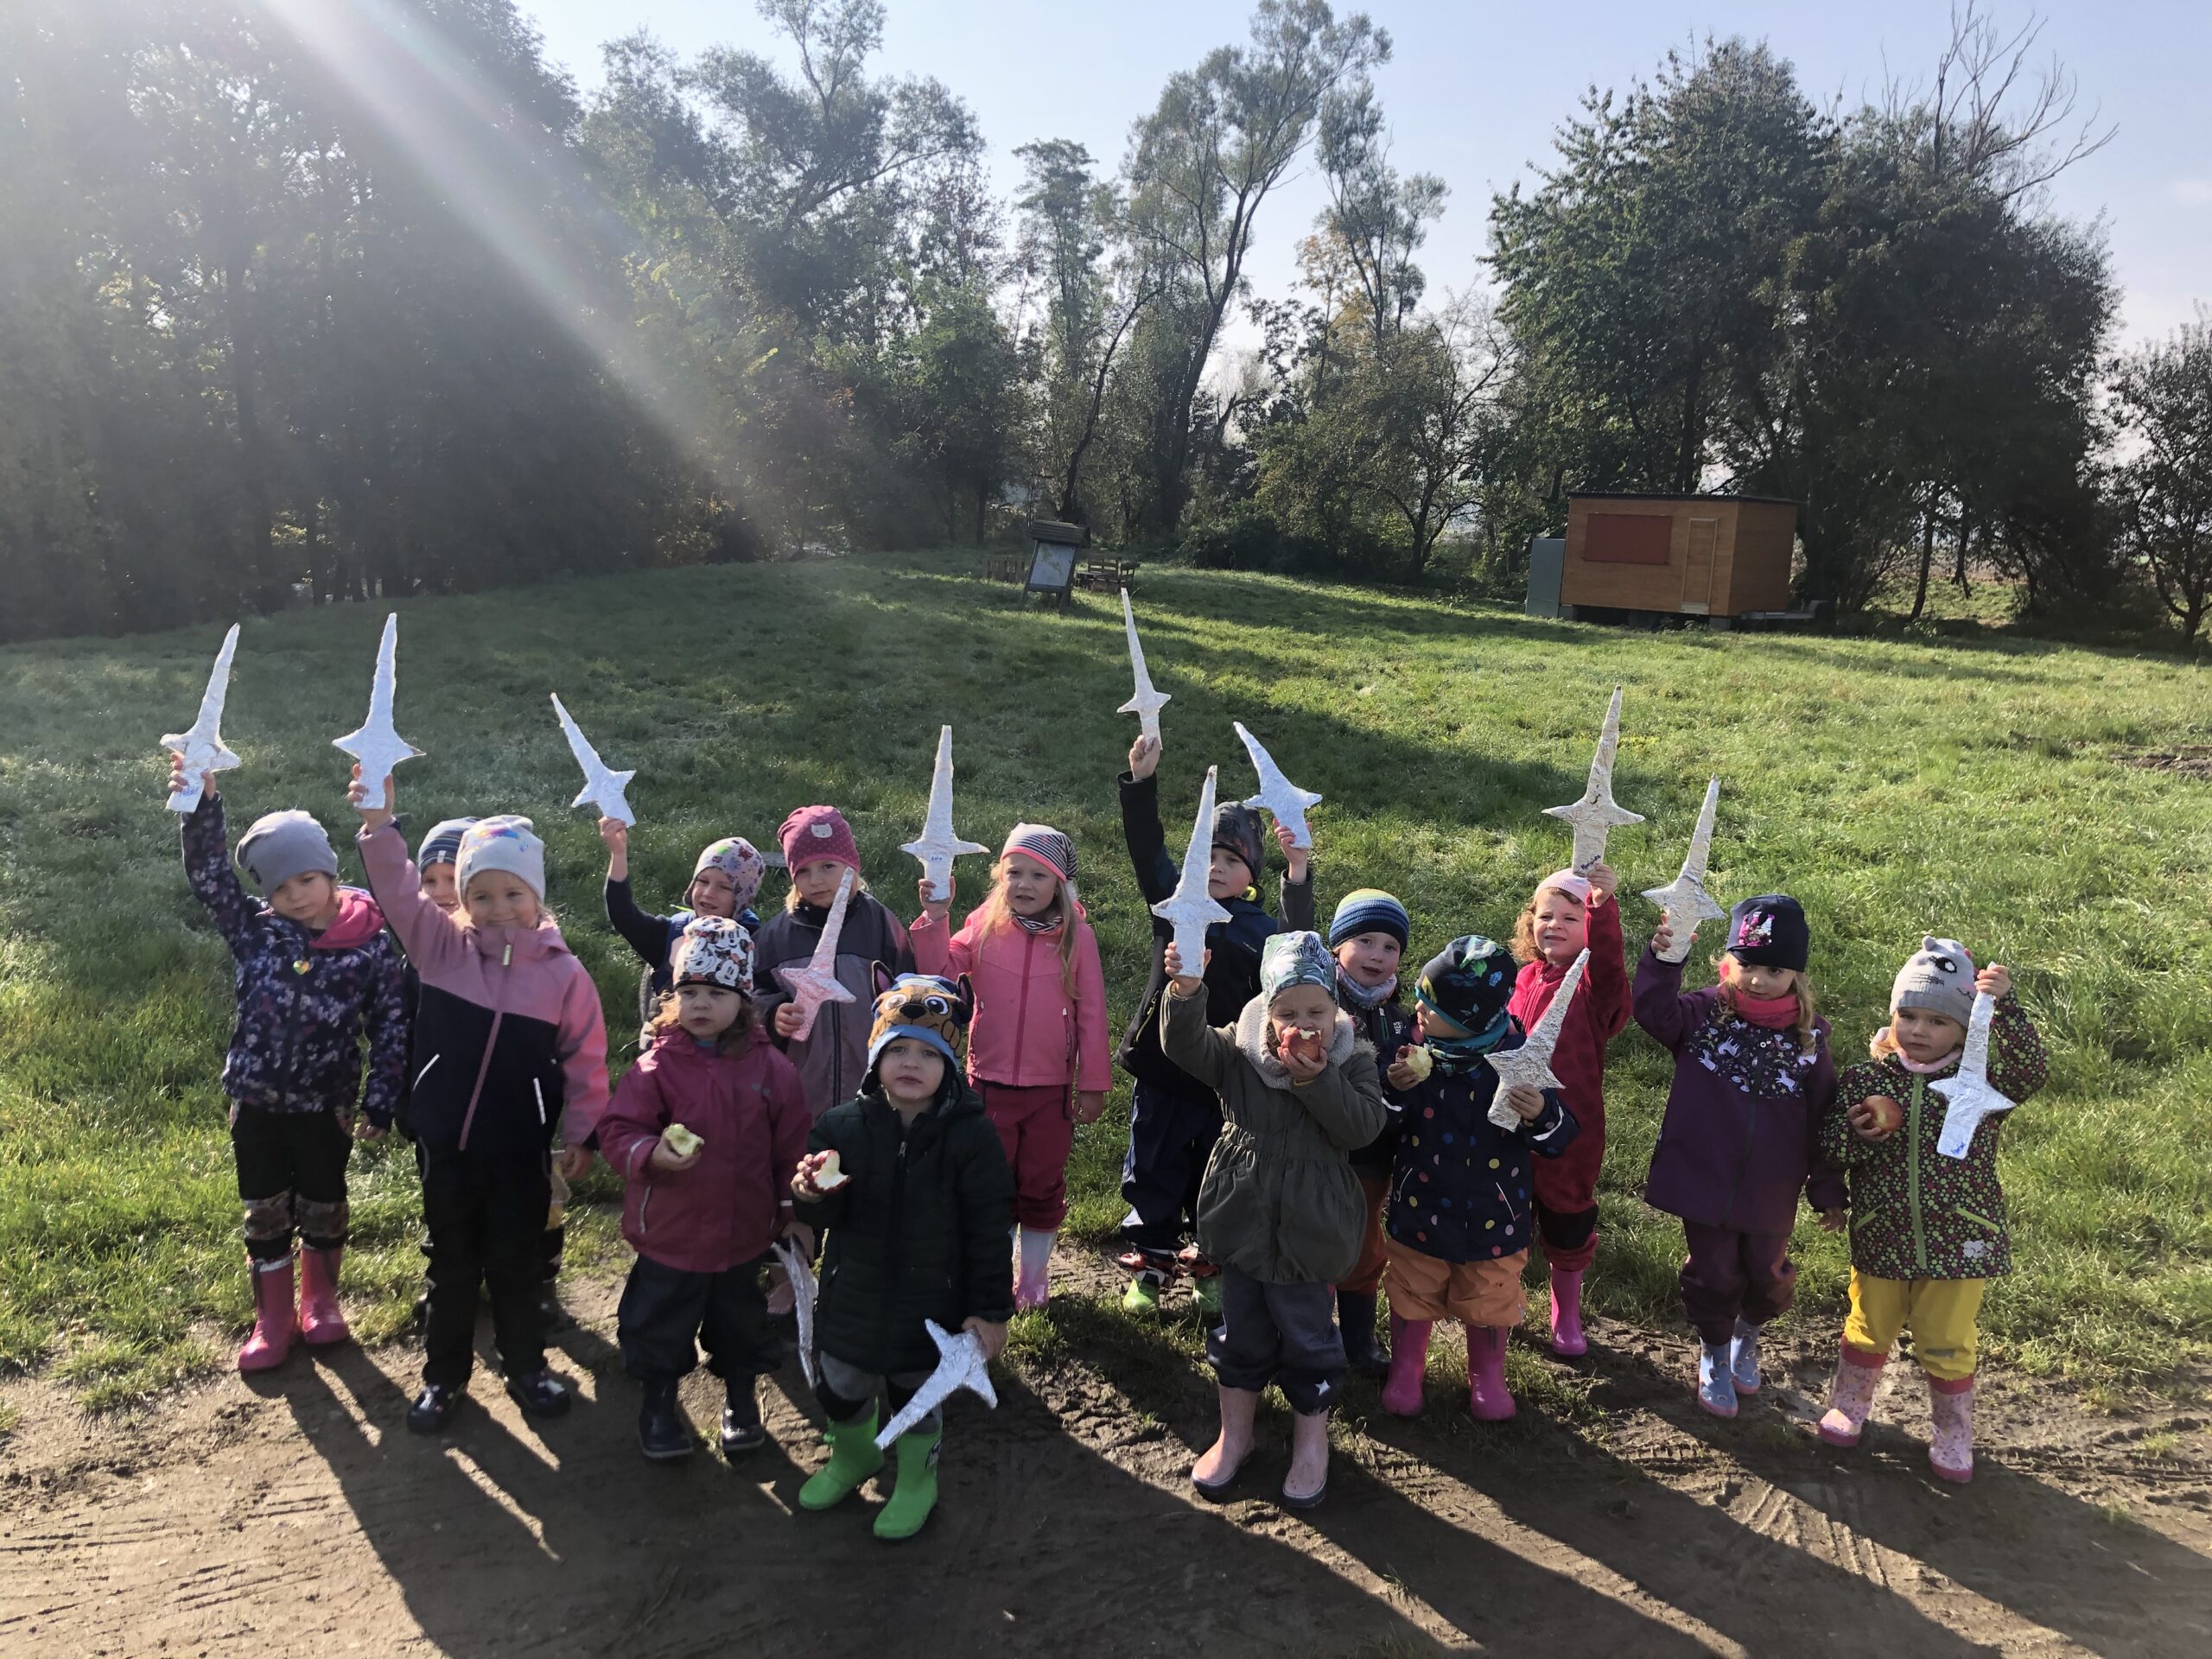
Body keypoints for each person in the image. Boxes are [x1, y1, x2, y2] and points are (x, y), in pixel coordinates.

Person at [352, 773, 607, 1433]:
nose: (496, 908)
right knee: (452, 1264)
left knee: (516, 1263)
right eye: (481, 894)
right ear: (462, 899)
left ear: (536, 896)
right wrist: (381, 827)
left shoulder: (563, 974)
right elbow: (401, 894)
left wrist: (579, 1132)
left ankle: (526, 1368)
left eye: (511, 893)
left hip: (522, 1148)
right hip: (447, 1144)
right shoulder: (440, 949)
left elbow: (585, 1059)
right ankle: (444, 1378)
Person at [171, 755, 405, 1372]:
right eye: (279, 888)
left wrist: (381, 1098)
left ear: (329, 872)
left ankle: (320, 1303)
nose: (295, 896)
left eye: (306, 880)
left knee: (324, 1200)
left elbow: (389, 1026)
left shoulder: (370, 945)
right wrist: (201, 804)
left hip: (324, 1104)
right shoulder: (256, 931)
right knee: (265, 1208)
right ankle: (272, 1318)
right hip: (256, 1102)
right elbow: (209, 876)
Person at [1162, 931, 1384, 1510]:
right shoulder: (1240, 1053)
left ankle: (1312, 1442)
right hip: (1242, 1216)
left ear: (1336, 1009)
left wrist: (1316, 1081)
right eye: (1287, 1011)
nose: (1302, 1023)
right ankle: (1235, 1434)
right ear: (1267, 1009)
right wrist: (1186, 991)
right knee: (1240, 1332)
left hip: (1313, 1228)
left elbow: (1361, 1129)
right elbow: (1186, 1049)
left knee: (1309, 1335)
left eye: (1316, 1010)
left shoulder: (1353, 1059)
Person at [791, 973, 1014, 1541]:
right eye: (897, 1050)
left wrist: (990, 1310)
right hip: (852, 1295)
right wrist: (811, 1195)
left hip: (932, 1304)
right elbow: (823, 1216)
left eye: (927, 1052)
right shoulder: (839, 1126)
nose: (910, 1063)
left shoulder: (971, 1138)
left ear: (951, 1066)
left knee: (917, 1398)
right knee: (840, 1388)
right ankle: (854, 1457)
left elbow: (990, 1229)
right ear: (875, 1058)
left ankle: (917, 1480)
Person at [1815, 938, 2047, 1482]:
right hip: (1883, 1233)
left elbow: (2031, 1071)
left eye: (1938, 1020)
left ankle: (1953, 1432)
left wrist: (2004, 1007)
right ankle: (1849, 1407)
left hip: (1963, 1239)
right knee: (1868, 1327)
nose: (1919, 1030)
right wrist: (1857, 1135)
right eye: (1908, 1014)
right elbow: (1830, 1145)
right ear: (1891, 1016)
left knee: (1946, 1341)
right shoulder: (1868, 1079)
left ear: (1966, 1030)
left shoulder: (1985, 1082)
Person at [597, 918, 810, 1463]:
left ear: (743, 1000)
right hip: (670, 1234)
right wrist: (651, 1155)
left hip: (743, 1234)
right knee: (658, 1327)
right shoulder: (656, 1067)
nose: (700, 1004)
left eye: (716, 993)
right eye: (688, 992)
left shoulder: (772, 1070)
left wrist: (792, 1211)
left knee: (741, 1327)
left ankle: (741, 1396)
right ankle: (659, 1400)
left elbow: (791, 1148)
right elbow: (619, 1131)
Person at [1116, 734, 1313, 1316]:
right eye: (1208, 858)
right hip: (1159, 1066)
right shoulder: (1172, 903)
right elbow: (1147, 849)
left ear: (1249, 874)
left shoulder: (1257, 929)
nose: (1217, 869)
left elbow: (1296, 946)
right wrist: (1141, 782)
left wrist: (1298, 867)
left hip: (1223, 1075)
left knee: (1213, 1174)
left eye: (1231, 862)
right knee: (1151, 1166)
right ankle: (1149, 1267)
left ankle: (1207, 1264)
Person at [1636, 895, 1845, 1418]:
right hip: (1703, 1177)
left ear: (1795, 974)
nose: (1757, 980)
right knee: (1714, 1273)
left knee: (1767, 1275)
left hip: (1771, 1188)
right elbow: (1653, 1011)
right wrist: (1665, 960)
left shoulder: (1810, 1039)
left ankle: (1747, 1333)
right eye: (1747, 965)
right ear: (1728, 962)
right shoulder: (1705, 1013)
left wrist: (1826, 1192)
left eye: (1774, 969)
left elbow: (1825, 1118)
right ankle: (1714, 1348)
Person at [912, 824, 1110, 1311]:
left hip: (1051, 1089)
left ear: (1059, 884)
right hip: (988, 1081)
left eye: (1037, 875)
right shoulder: (984, 924)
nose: (1023, 884)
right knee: (990, 1182)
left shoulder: (1077, 937)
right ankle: (991, 1275)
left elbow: (1092, 1012)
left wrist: (1093, 1083)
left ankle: (1035, 1279)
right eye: (1013, 872)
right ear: (999, 875)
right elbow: (940, 975)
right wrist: (936, 916)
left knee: (1042, 1180)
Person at [1379, 936, 1577, 1421]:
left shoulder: (1518, 1061)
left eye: (1432, 1006)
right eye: (1420, 1000)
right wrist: (1393, 1089)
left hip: (1494, 1213)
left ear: (1469, 1019)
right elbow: (1383, 1128)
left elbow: (1559, 1140)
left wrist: (1540, 1114)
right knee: (1411, 1287)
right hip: (1419, 1203)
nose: (1419, 1013)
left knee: (1490, 1297)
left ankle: (1487, 1378)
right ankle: (1406, 1370)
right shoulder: (1410, 1050)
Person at [1505, 866, 1630, 1356]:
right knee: (1509, 1211)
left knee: (1566, 1215)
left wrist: (1601, 907)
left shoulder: (1593, 988)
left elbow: (1610, 967)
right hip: (1512, 1119)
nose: (1554, 924)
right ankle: (1506, 1294)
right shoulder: (1523, 976)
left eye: (1570, 917)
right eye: (1545, 914)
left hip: (1572, 1128)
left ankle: (1567, 1311)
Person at [751, 804, 914, 1118]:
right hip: (801, 1090)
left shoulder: (881, 924)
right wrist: (772, 1014)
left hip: (872, 1084)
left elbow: (907, 984)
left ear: (851, 867)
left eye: (828, 866)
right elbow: (750, 997)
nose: (816, 880)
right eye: (803, 871)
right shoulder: (774, 937)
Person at [1325, 889, 1420, 1376]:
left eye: (1390, 946)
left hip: (1373, 1157)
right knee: (1316, 1242)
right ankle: (1313, 1334)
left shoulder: (1404, 1021)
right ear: (1337, 945)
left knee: (1364, 1247)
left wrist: (1404, 1082)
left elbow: (1406, 1100)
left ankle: (1358, 1340)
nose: (1378, 955)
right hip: (1320, 1153)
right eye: (1365, 941)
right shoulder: (1318, 1003)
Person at [599, 817, 769, 996]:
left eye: (724, 887)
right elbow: (623, 915)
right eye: (703, 881)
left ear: (742, 899)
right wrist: (618, 854)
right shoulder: (672, 934)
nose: (708, 893)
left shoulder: (755, 945)